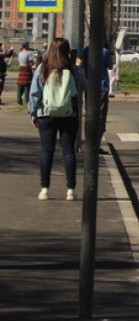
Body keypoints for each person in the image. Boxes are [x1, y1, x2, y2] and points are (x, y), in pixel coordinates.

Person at [28, 38, 87, 201]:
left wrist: (33, 114)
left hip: (45, 114)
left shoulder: (42, 68)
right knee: (68, 151)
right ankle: (70, 190)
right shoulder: (73, 69)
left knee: (47, 150)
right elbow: (83, 87)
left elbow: (34, 94)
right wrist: (79, 68)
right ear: (67, 51)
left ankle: (44, 189)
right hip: (69, 114)